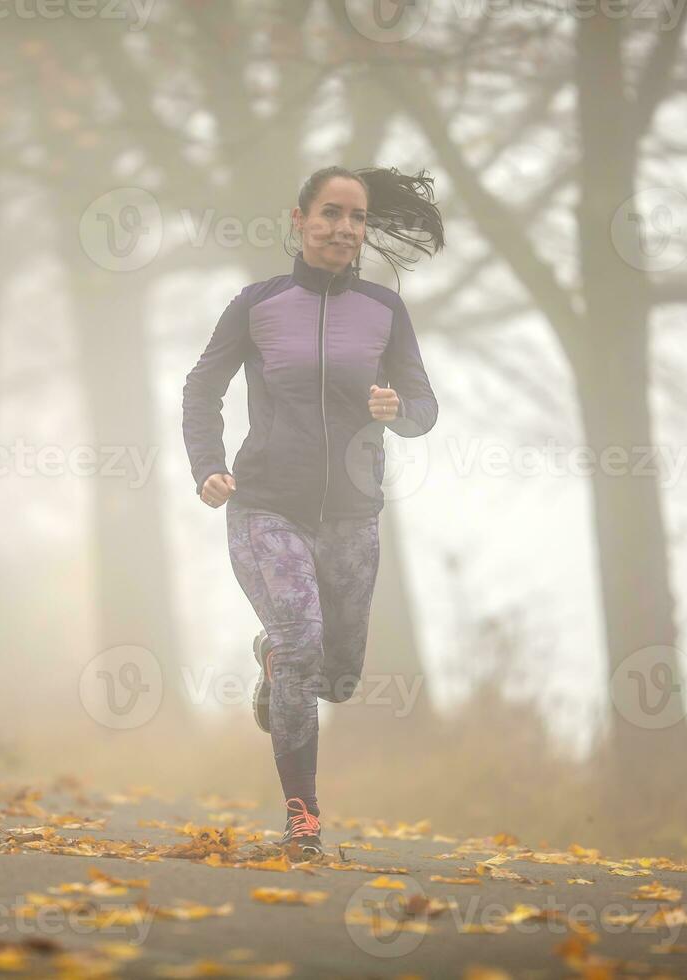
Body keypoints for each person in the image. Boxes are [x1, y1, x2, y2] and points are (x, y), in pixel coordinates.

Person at [181, 165, 444, 855]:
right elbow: (201, 388)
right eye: (329, 213)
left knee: (339, 676)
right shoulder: (256, 304)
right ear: (298, 220)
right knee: (302, 642)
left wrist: (399, 411)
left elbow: (424, 407)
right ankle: (303, 817)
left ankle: (274, 660)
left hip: (353, 515)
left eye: (356, 218)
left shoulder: (386, 311)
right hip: (266, 505)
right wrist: (207, 465)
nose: (343, 228)